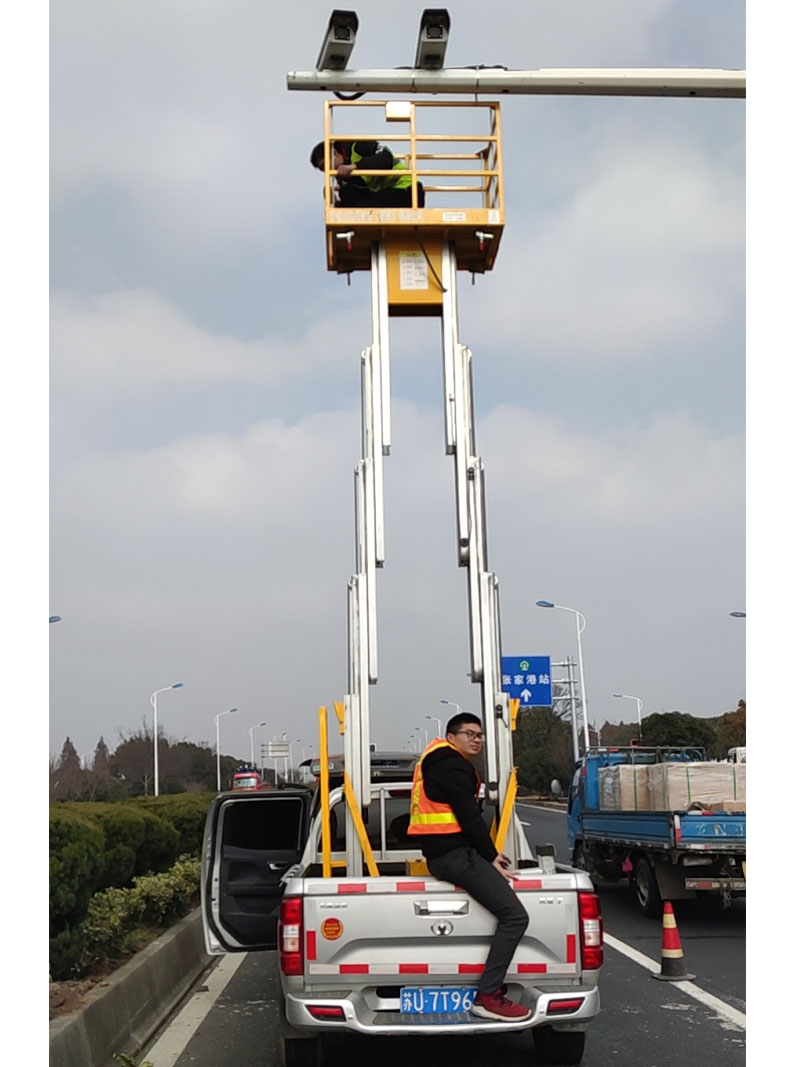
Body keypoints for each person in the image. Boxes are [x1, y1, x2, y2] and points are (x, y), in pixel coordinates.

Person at [407, 712, 531, 1021]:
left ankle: (489, 992)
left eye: (480, 735)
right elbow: (469, 817)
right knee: (515, 917)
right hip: (455, 855)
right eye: (469, 734)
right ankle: (488, 995)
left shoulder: (433, 760)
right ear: (451, 737)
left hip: (444, 854)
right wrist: (490, 855)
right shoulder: (453, 766)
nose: (476, 739)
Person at [309, 139, 425, 208]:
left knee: (363, 208)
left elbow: (385, 159)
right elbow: (353, 203)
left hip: (409, 191)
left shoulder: (359, 146)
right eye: (323, 170)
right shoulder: (344, 179)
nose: (327, 171)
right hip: (388, 194)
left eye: (325, 165)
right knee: (358, 208)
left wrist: (355, 166)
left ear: (334, 153)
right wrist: (334, 201)